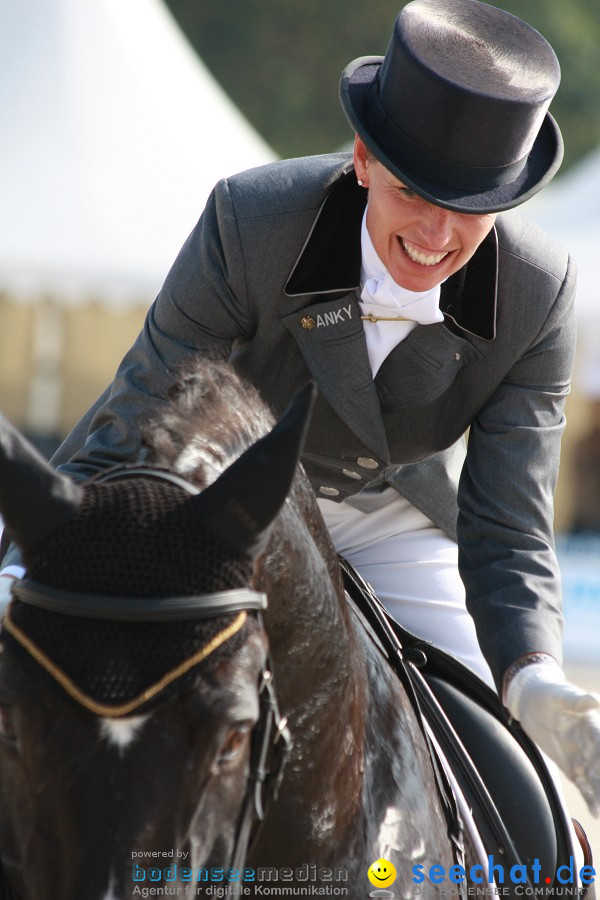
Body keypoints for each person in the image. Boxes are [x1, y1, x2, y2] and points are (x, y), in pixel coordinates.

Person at [1, 0, 599, 831]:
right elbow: (141, 408)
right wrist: (45, 561)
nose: (436, 233)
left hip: (395, 518)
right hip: (219, 506)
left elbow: (509, 526)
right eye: (411, 192)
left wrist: (532, 674)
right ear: (362, 158)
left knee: (515, 780)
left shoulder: (541, 293)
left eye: (470, 207)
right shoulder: (252, 221)